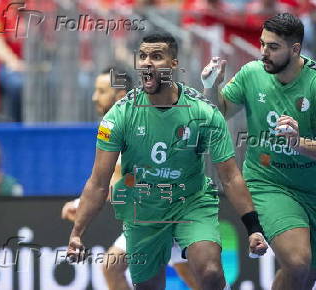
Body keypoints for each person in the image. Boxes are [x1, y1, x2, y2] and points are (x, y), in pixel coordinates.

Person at [66, 32, 268, 290]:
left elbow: (230, 176)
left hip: (190, 202)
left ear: (174, 63)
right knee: (141, 281)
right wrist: (76, 233)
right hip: (145, 208)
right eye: (143, 56)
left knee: (210, 273)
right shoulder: (119, 116)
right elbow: (98, 182)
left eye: (157, 56)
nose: (147, 62)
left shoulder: (203, 112)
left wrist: (254, 228)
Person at [202, 13, 316, 290]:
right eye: (262, 44)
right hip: (268, 181)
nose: (263, 53)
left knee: (303, 278)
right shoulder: (251, 73)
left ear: (295, 50)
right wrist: (212, 86)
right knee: (297, 261)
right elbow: (221, 111)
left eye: (273, 47)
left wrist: (300, 143)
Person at [61, 67, 200, 290]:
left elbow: (120, 182)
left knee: (114, 267)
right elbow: (113, 179)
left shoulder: (137, 123)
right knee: (191, 277)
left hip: (169, 212)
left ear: (119, 95)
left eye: (101, 91)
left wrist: (80, 205)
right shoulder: (114, 123)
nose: (94, 97)